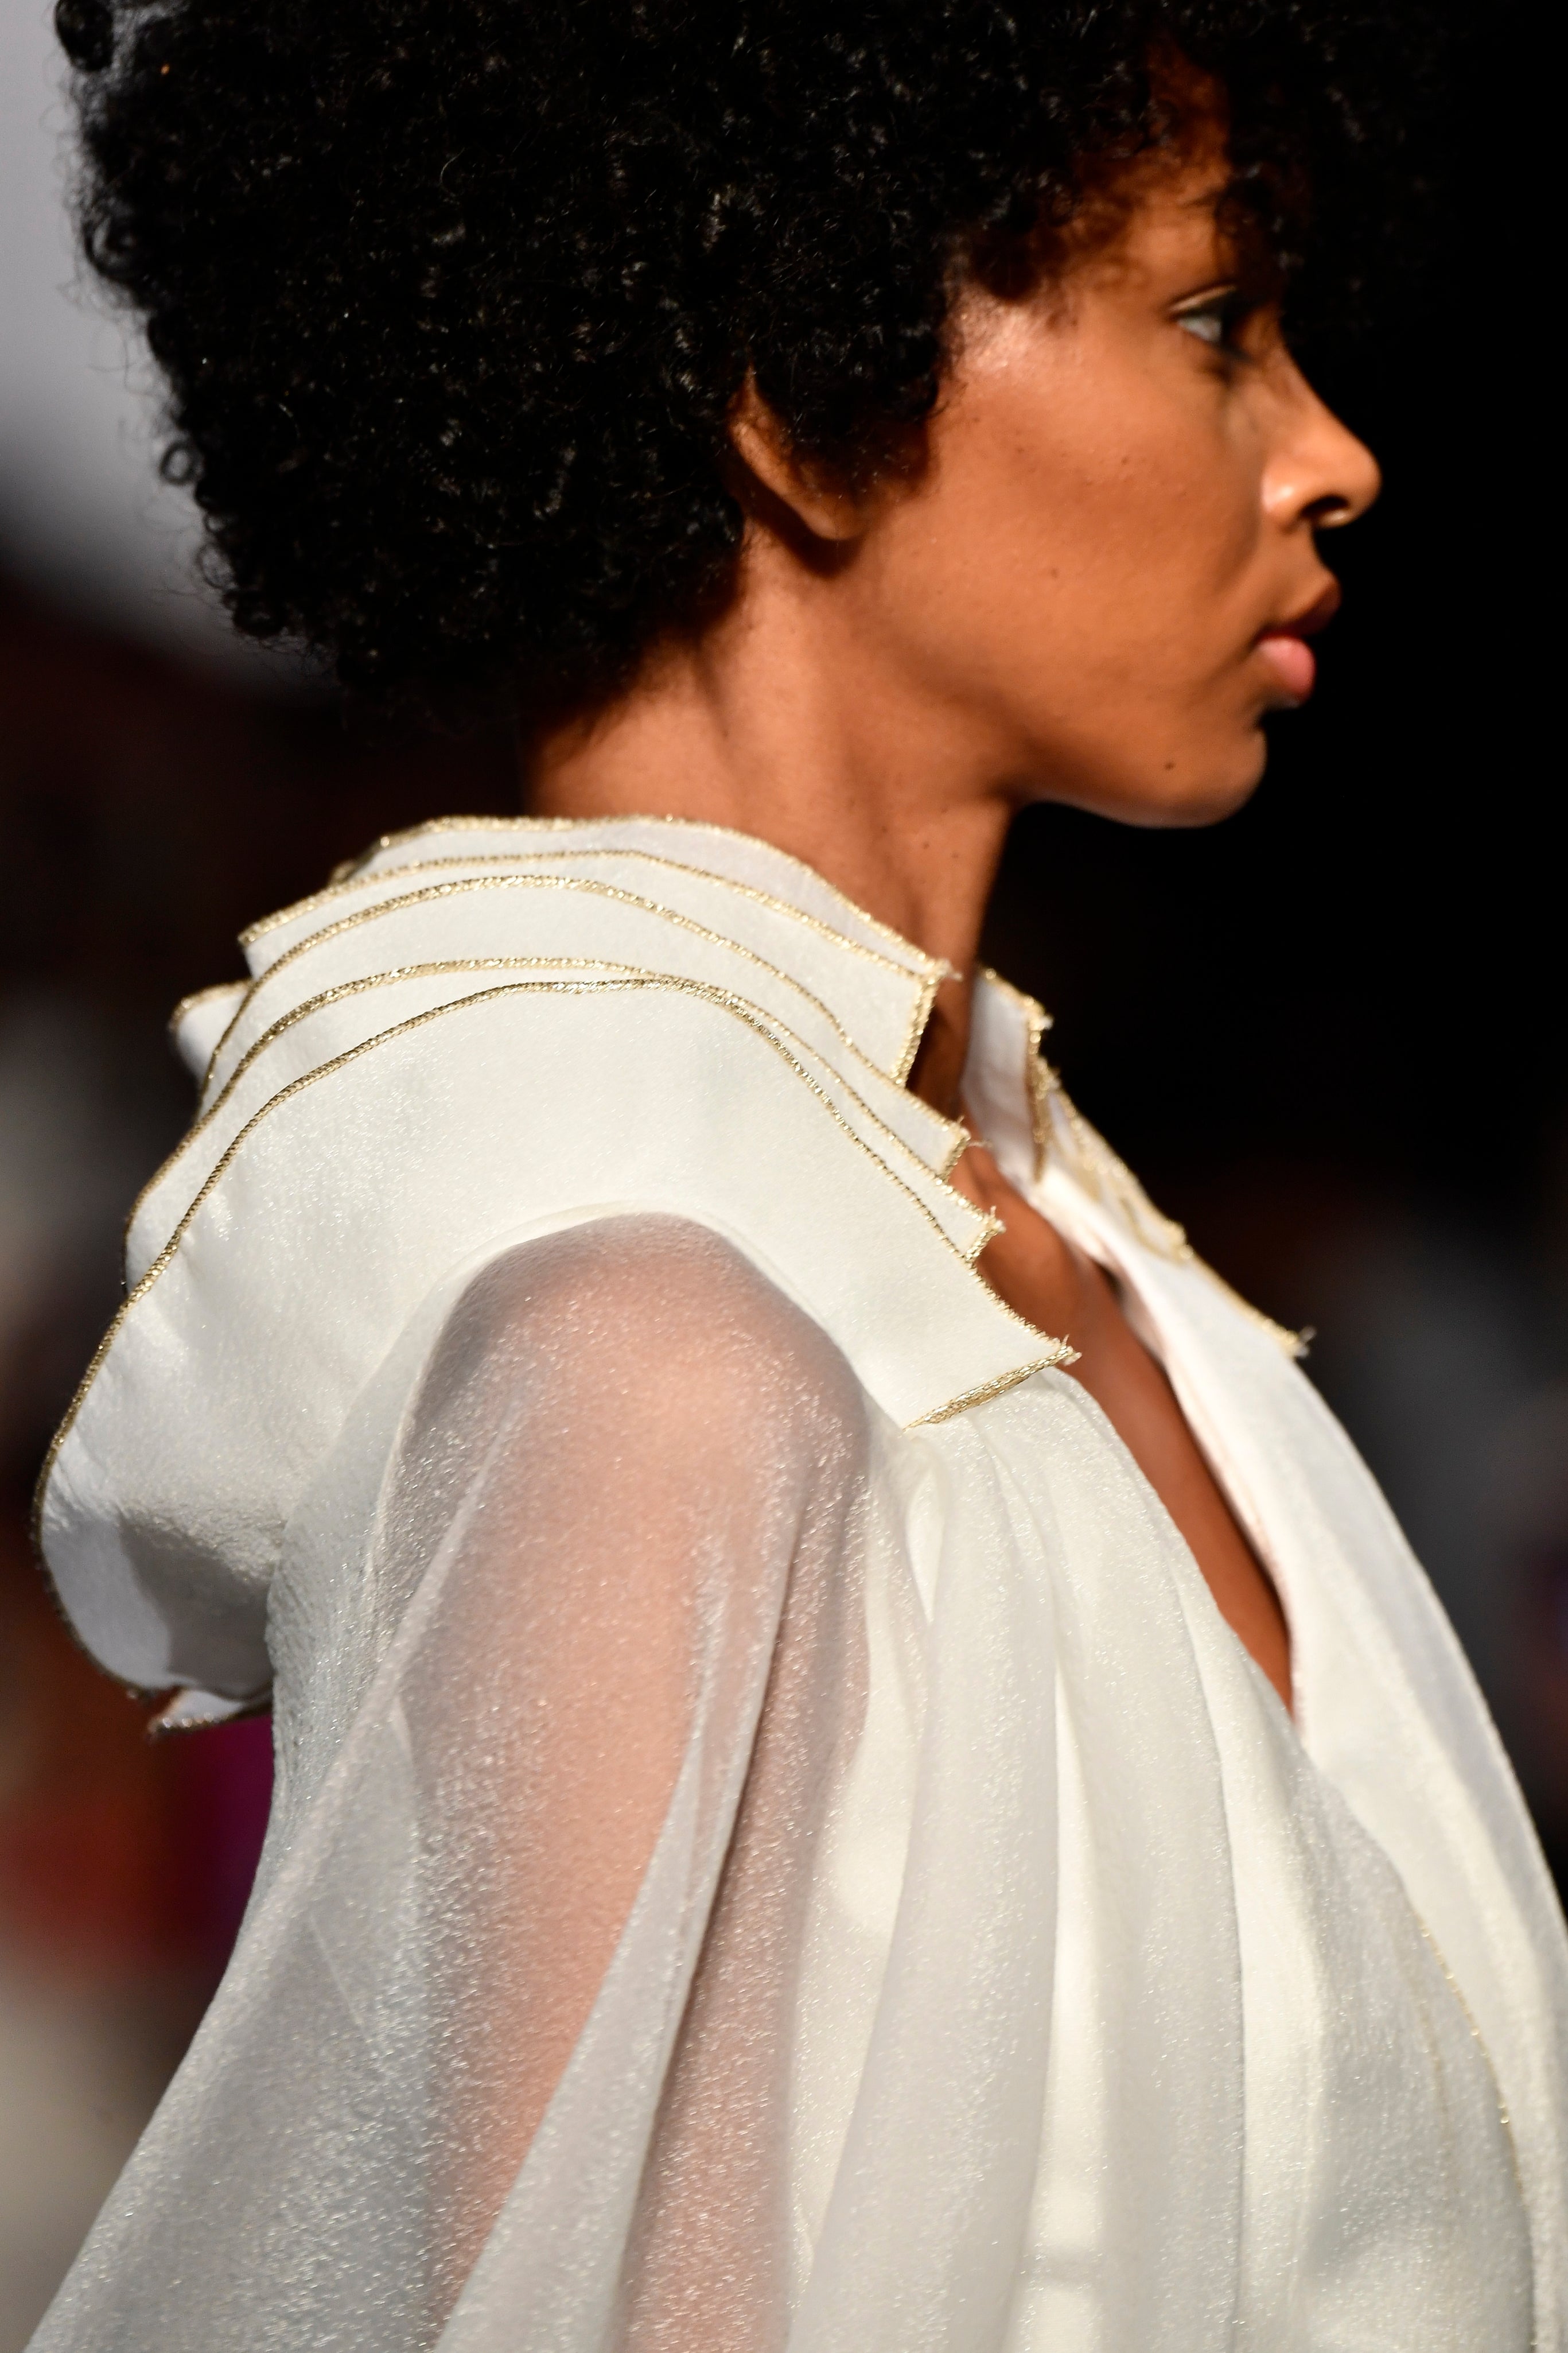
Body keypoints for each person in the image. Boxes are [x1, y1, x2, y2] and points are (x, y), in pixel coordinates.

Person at [32, 2, 1567, 2346]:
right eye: (1213, 318)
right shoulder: (655, 1363)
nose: (1331, 452)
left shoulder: (1107, 1288)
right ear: (805, 388)